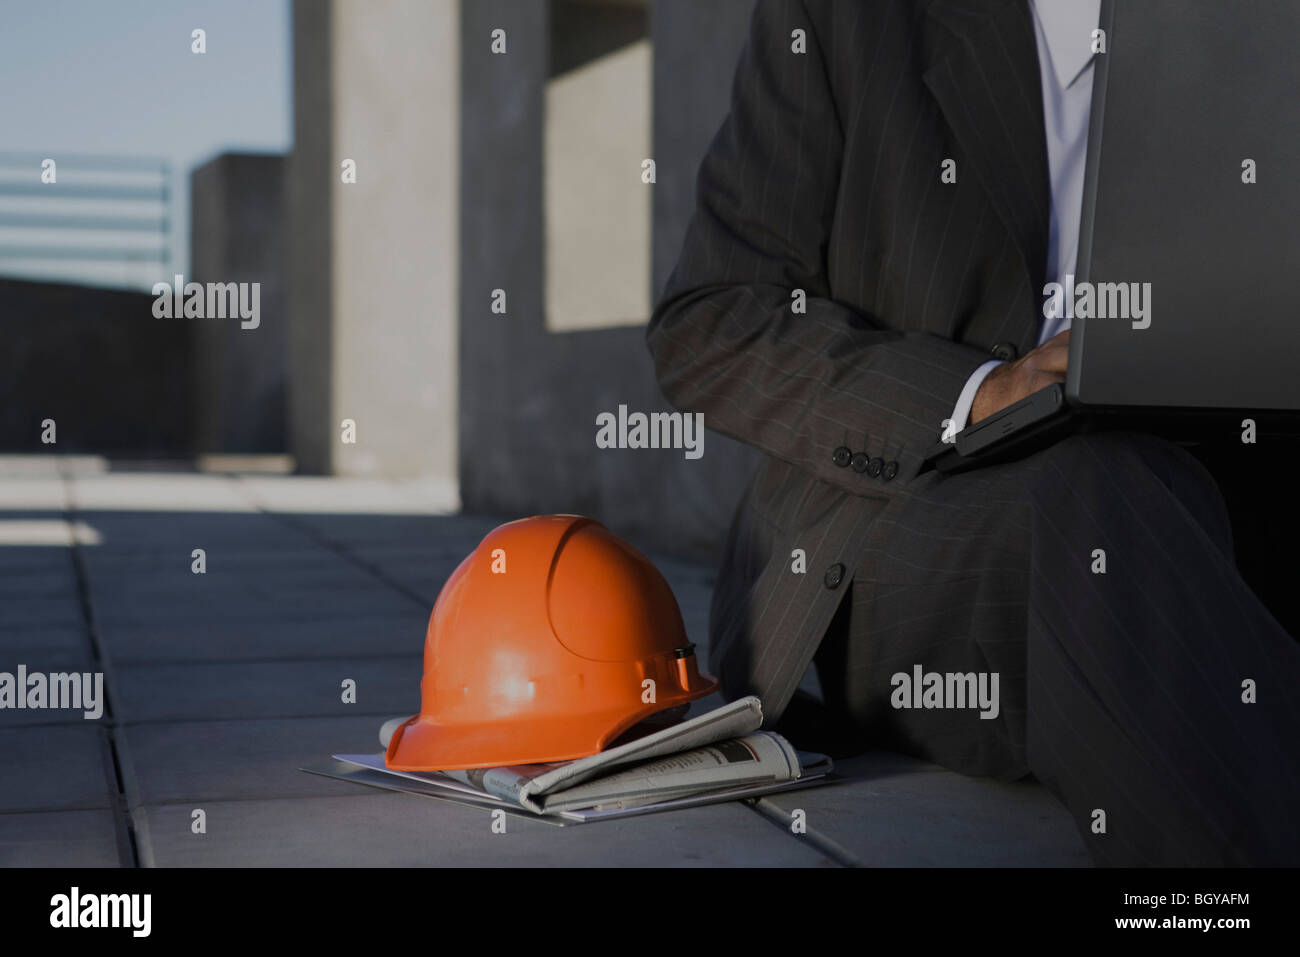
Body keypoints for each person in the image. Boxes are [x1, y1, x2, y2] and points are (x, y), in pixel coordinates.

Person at [646, 0, 1300, 866]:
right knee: (1102, 497)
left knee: (1147, 501)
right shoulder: (844, 19)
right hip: (910, 530)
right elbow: (710, 324)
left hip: (1214, 485)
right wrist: (982, 390)